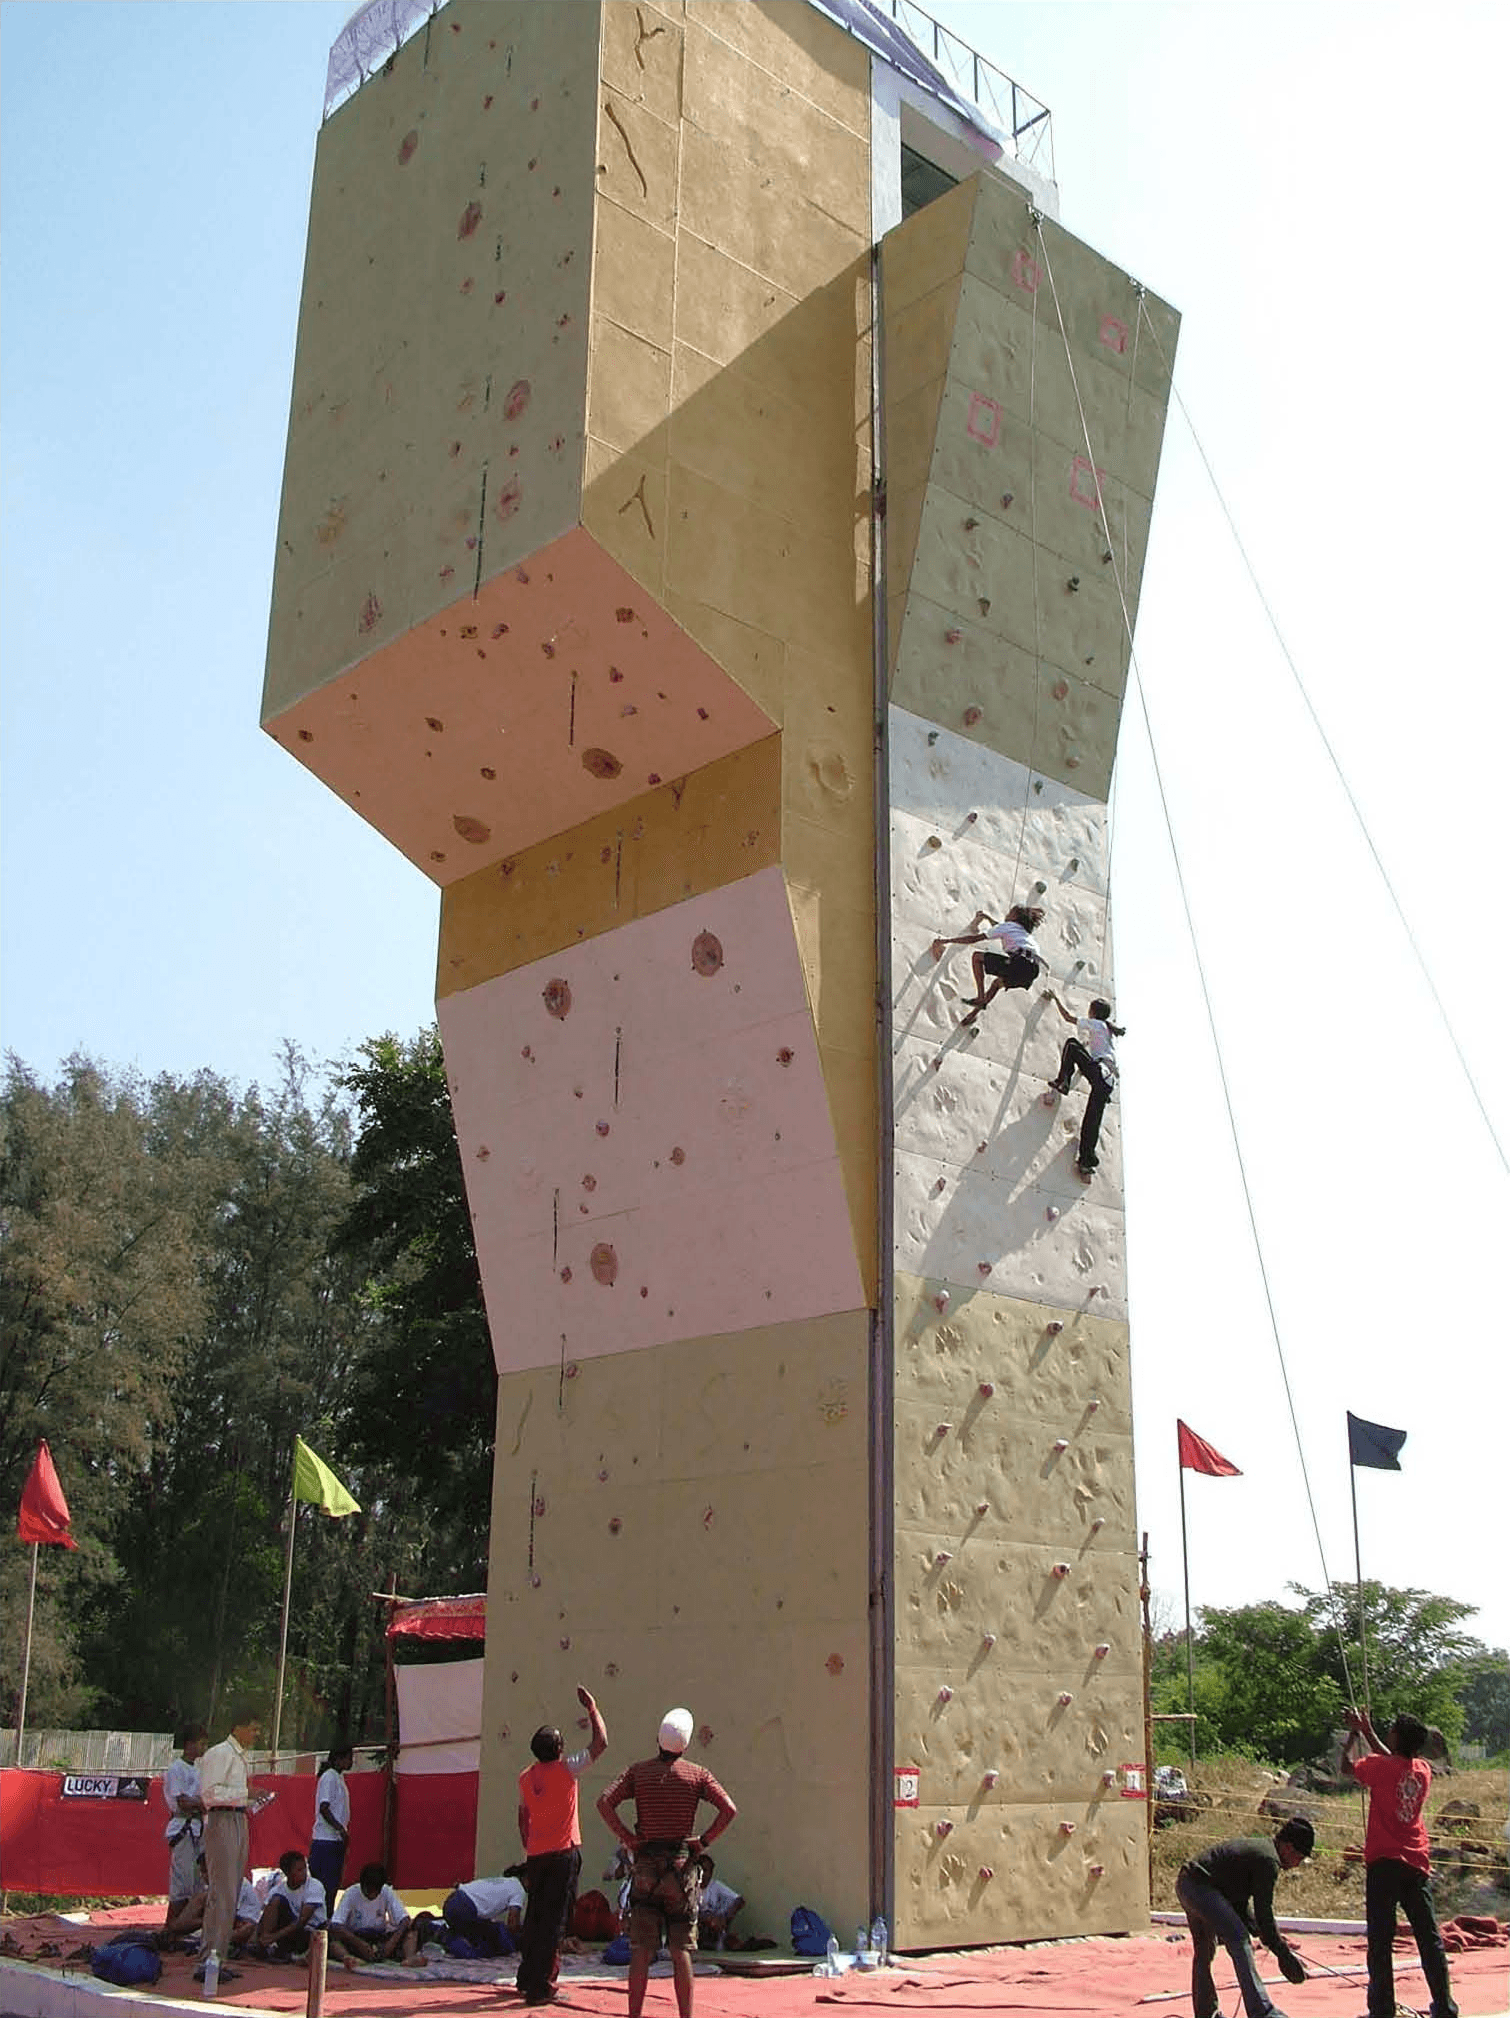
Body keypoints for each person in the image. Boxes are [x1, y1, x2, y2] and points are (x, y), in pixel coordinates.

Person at [597, 1708, 738, 2018]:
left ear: (657, 1740)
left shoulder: (638, 1772)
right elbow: (729, 1809)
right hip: (681, 1870)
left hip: (646, 1869)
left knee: (641, 1950)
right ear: (685, 1745)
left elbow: (604, 1802)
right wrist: (703, 1842)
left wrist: (627, 1838)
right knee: (681, 1951)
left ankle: (634, 2014)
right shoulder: (698, 1775)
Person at [1343, 1707, 1459, 2018]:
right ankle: (1445, 2006)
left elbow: (1346, 1768)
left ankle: (1382, 2009)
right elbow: (1393, 1761)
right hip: (1416, 1861)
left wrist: (1355, 1732)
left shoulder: (1381, 1767)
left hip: (1384, 1862)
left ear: (1395, 1736)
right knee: (1428, 1938)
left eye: (1391, 1729)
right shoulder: (1422, 1769)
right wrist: (1368, 1731)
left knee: (1380, 1941)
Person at [516, 1684, 608, 2005]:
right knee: (555, 1921)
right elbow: (601, 1744)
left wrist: (528, 1844)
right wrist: (592, 1708)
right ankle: (543, 1986)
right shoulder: (568, 1769)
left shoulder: (526, 1777)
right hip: (563, 1852)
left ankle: (526, 1977)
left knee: (535, 1916)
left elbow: (522, 1815)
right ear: (559, 1748)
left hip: (536, 1854)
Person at [1175, 1818, 1312, 2018]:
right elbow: (1264, 1912)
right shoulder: (1268, 1860)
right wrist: (1282, 1953)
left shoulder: (1262, 1851)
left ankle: (1206, 2012)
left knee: (1204, 1951)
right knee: (1239, 1941)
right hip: (1201, 1887)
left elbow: (1239, 1904)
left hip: (1186, 1883)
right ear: (1289, 1848)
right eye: (1299, 1857)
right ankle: (1262, 2011)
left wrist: (1269, 1938)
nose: (1298, 1864)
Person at [195, 1702, 268, 1983]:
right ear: (237, 1728)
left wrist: (250, 1797)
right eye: (253, 1729)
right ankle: (208, 1959)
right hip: (221, 1820)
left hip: (238, 1818)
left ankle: (218, 1956)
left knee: (232, 1891)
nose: (256, 1734)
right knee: (221, 1893)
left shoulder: (239, 1757)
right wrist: (245, 1792)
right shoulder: (220, 1754)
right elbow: (209, 1794)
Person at [1042, 989, 1124, 1175]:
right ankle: (1086, 1161)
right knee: (1091, 1121)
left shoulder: (1096, 1024)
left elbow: (1069, 1018)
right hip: (1108, 1082)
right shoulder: (1107, 1029)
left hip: (1100, 1073)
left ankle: (1063, 1082)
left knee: (1071, 1044)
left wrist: (1056, 998)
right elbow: (1098, 1050)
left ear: (1093, 1012)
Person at [932, 905, 1046, 1026]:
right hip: (1032, 971)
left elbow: (975, 939)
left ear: (1015, 917)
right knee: (996, 984)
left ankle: (980, 997)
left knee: (977, 957)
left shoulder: (1008, 926)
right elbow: (1000, 928)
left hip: (1020, 963)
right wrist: (987, 918)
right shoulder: (1023, 934)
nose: (1007, 914)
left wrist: (946, 941)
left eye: (1010, 912)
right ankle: (973, 1015)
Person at [160, 1724, 207, 1939]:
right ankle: (171, 1926)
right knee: (182, 1881)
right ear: (189, 1745)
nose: (203, 1747)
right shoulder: (176, 1769)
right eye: (200, 1743)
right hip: (183, 1827)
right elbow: (183, 1802)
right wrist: (201, 1803)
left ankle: (185, 1926)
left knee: (197, 1881)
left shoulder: (198, 1770)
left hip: (198, 1829)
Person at [328, 1861, 421, 1966]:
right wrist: (359, 1943)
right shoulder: (351, 1893)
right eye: (367, 1891)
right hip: (356, 1937)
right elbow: (336, 1924)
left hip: (380, 1938)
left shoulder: (386, 1891)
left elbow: (405, 1920)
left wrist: (390, 1944)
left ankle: (409, 1958)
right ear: (362, 1885)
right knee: (332, 1941)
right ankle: (348, 1958)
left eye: (374, 1892)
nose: (370, 1895)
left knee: (411, 1932)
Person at [254, 1848, 329, 1959]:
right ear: (287, 1873)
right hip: (287, 1931)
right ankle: (264, 1944)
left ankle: (272, 1944)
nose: (304, 1873)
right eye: (299, 1870)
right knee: (276, 1900)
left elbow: (301, 1921)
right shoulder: (278, 1890)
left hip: (310, 1932)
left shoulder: (315, 1886)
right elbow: (265, 1915)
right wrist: (258, 1937)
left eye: (305, 1868)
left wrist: (273, 1937)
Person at [308, 1741, 354, 1916]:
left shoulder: (338, 1777)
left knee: (333, 1885)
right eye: (349, 1758)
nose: (351, 1762)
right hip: (326, 1840)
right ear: (339, 1758)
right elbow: (324, 1807)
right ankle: (320, 1922)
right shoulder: (329, 1777)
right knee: (324, 1886)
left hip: (335, 1841)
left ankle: (327, 1919)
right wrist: (340, 1829)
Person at [440, 1871, 526, 1955]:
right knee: (493, 1940)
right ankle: (444, 1936)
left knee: (480, 1932)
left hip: (451, 1902)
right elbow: (512, 1925)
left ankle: (444, 1933)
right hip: (464, 1909)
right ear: (526, 1879)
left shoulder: (507, 1882)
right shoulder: (519, 1889)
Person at [693, 1856, 745, 1949]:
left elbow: (739, 1900)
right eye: (700, 1871)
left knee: (735, 1943)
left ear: (711, 1872)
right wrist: (705, 1918)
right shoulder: (690, 1887)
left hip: (713, 1927)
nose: (703, 1874)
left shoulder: (715, 1886)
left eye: (707, 1870)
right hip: (695, 1926)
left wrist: (725, 1918)